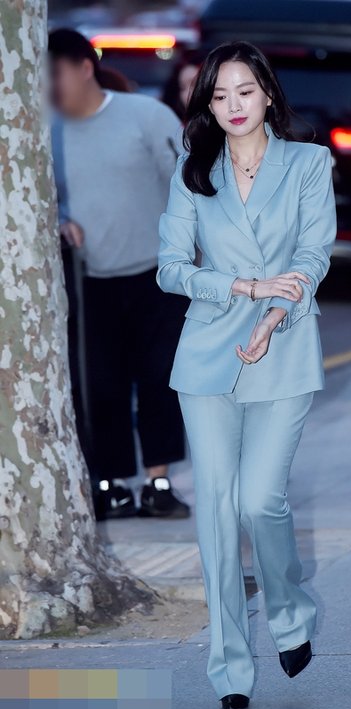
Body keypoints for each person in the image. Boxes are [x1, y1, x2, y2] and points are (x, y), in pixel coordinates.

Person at [157, 41, 336, 709]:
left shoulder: (309, 163)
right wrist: (242, 287)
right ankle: (230, 665)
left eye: (245, 91)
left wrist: (272, 313)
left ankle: (289, 611)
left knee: (260, 501)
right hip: (207, 354)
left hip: (284, 349)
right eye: (219, 94)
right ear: (208, 104)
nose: (233, 105)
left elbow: (314, 254)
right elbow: (171, 267)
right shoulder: (192, 170)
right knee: (215, 511)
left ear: (268, 94)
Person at [49, 28, 191, 521]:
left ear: (84, 68)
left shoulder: (145, 116)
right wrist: (58, 220)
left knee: (159, 380)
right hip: (90, 283)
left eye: (54, 73)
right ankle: (110, 485)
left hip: (156, 275)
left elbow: (187, 184)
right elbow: (43, 198)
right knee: (100, 386)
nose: (48, 85)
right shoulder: (44, 132)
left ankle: (158, 483)